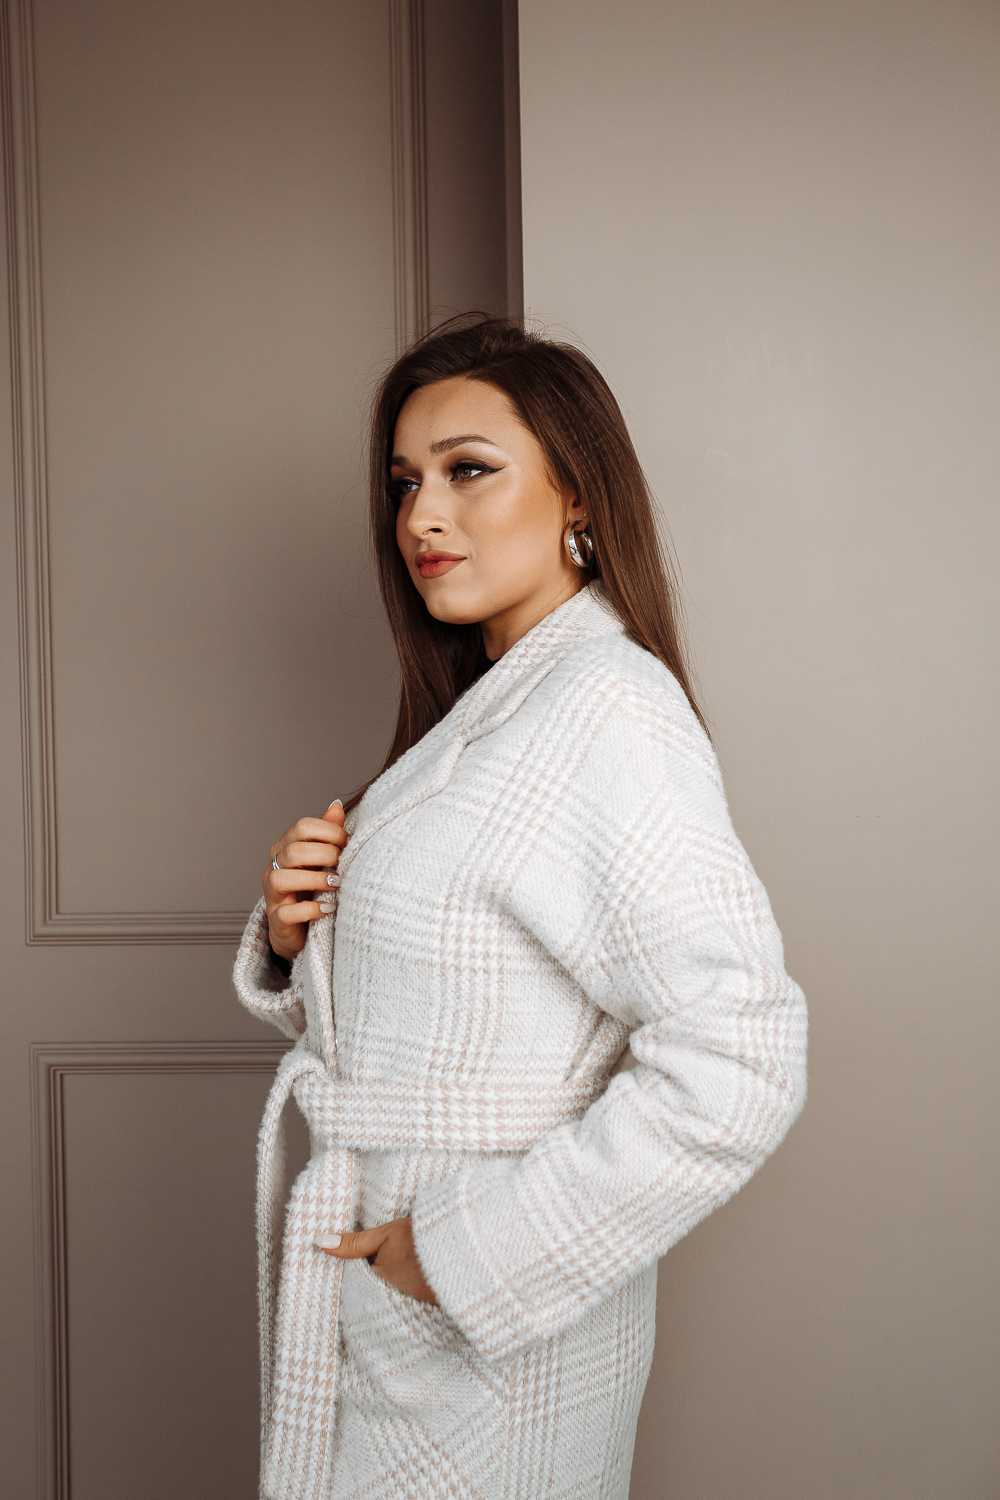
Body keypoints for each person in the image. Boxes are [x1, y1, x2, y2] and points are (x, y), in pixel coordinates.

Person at [233, 315, 808, 1500]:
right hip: (404, 1297)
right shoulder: (496, 710)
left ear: (577, 494)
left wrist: (459, 1257)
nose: (421, 518)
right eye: (405, 482)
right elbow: (455, 1006)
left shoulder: (609, 713)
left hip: (480, 1331)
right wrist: (300, 935)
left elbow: (738, 1059)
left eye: (468, 470)